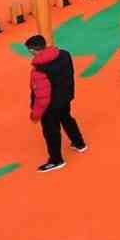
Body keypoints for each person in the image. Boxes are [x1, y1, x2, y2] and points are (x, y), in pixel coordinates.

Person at [26, 34, 85, 173]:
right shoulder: (65, 54)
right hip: (65, 97)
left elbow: (42, 97)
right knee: (67, 118)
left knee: (51, 132)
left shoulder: (39, 71)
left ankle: (56, 160)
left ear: (33, 51)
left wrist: (35, 114)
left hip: (50, 107)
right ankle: (79, 143)